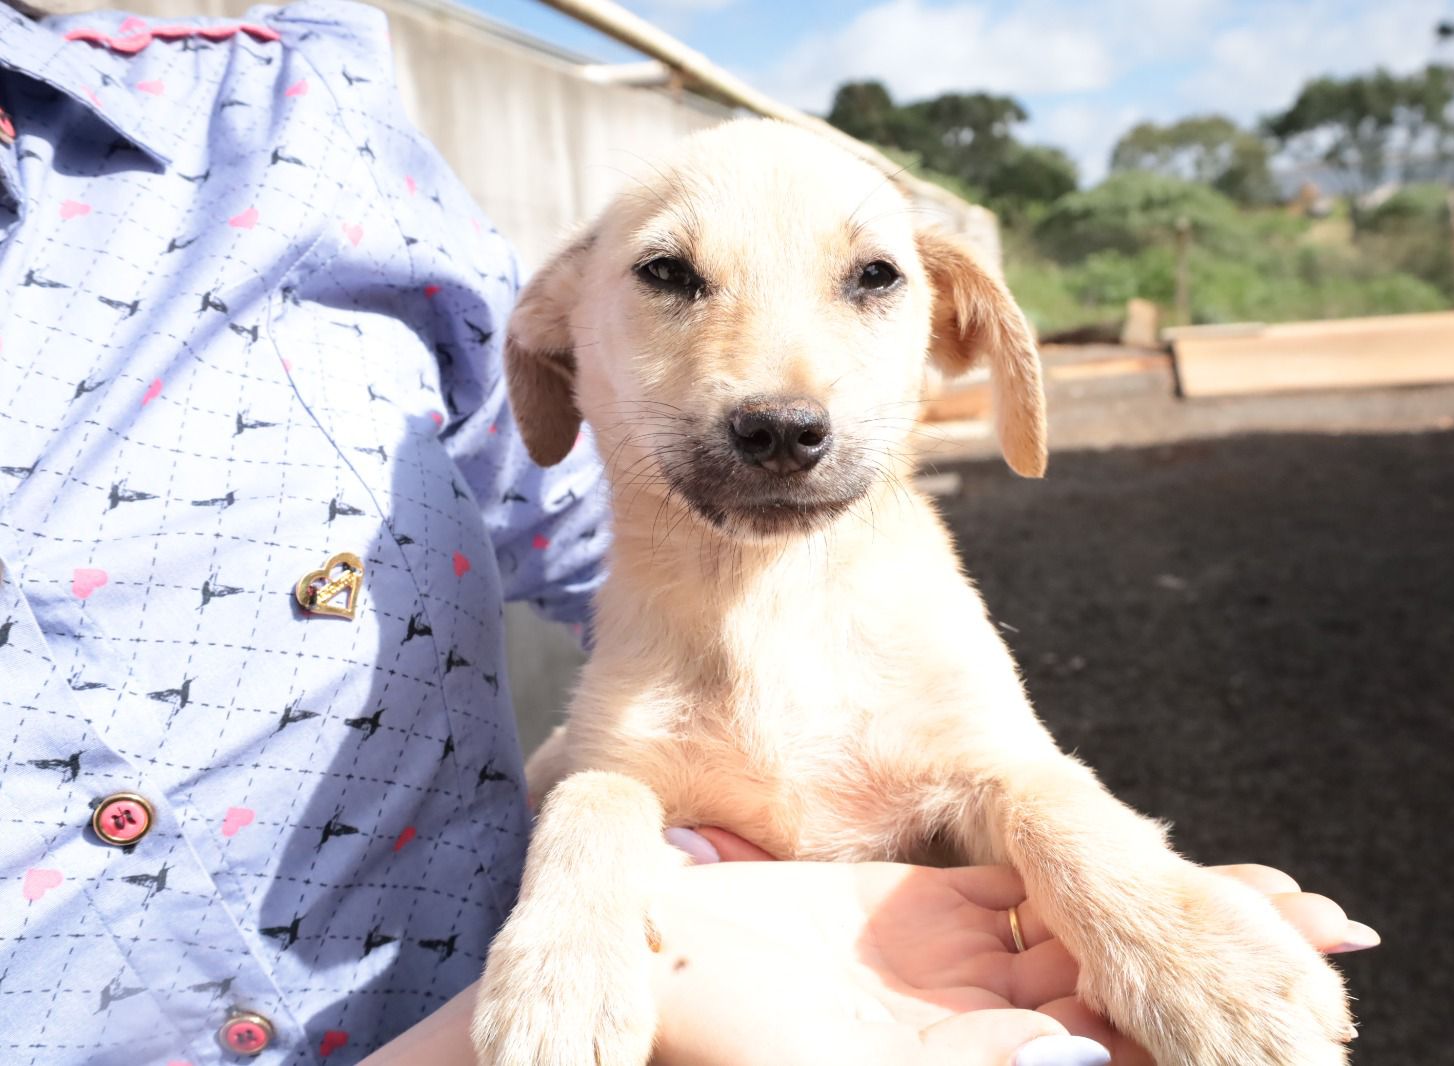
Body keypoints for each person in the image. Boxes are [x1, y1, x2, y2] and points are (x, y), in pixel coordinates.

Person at [0, 2, 1377, 1064]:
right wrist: (593, 839)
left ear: (962, 332)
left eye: (870, 282)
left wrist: (1132, 897)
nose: (779, 390)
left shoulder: (268, 102)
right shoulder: (618, 571)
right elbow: (607, 765)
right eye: (674, 275)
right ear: (556, 338)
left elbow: (1011, 774)